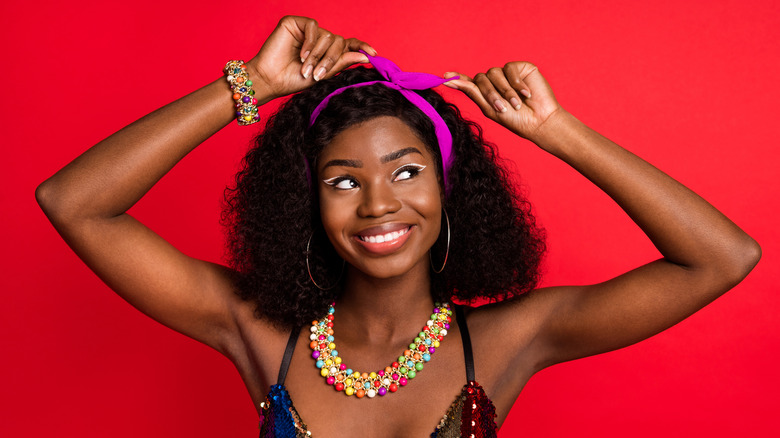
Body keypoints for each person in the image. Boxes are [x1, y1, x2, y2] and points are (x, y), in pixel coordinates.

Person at [35, 15, 760, 437]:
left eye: (407, 172)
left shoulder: (509, 339)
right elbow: (73, 202)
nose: (379, 205)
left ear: (449, 189)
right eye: (344, 181)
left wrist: (555, 129)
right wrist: (250, 85)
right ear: (307, 203)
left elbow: (723, 257)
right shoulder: (256, 330)